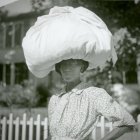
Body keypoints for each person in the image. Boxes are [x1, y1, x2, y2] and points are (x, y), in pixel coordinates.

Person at [22, 6, 136, 140]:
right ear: (58, 68)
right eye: (63, 64)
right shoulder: (55, 99)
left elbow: (127, 123)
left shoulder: (93, 94)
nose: (67, 68)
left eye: (73, 63)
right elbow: (52, 135)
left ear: (82, 67)